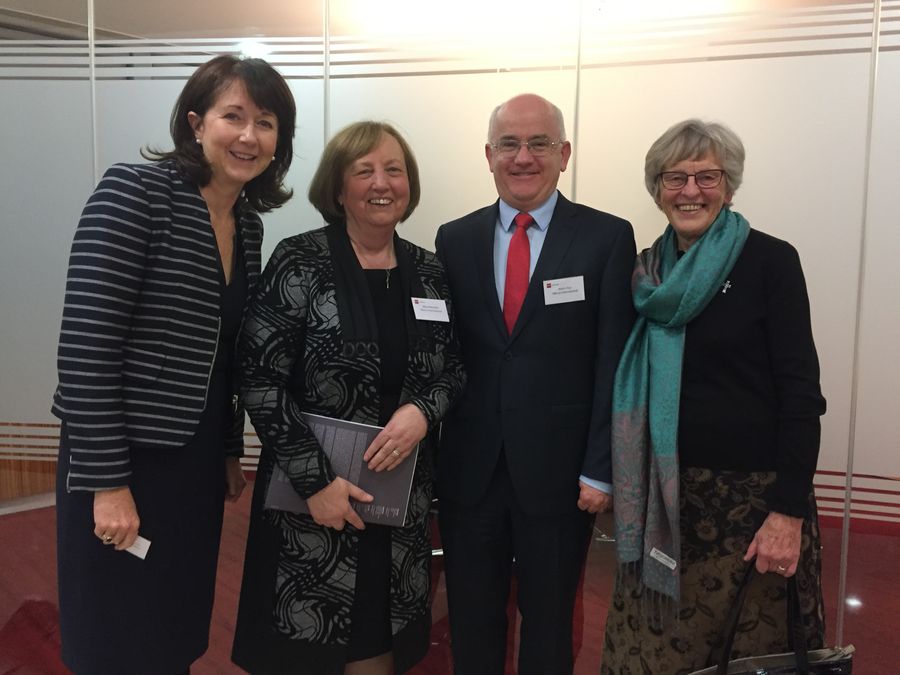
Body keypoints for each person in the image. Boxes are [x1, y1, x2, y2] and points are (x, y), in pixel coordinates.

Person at [52, 54, 296, 674]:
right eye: (232, 116)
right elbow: (86, 348)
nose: (248, 136)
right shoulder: (135, 192)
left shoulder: (247, 225)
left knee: (174, 622)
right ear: (195, 123)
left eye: (265, 122)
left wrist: (225, 452)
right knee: (115, 630)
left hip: (192, 465)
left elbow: (222, 351)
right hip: (124, 457)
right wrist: (108, 485)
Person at [231, 120, 466, 675]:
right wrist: (316, 483)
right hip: (311, 507)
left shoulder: (429, 271)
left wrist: (421, 413)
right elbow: (258, 376)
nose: (382, 183)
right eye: (364, 171)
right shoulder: (299, 261)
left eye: (394, 169)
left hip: (397, 505)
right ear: (339, 188)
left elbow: (453, 368)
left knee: (378, 643)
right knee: (307, 650)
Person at [600, 119, 827, 673]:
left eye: (707, 176)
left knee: (745, 657)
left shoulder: (770, 262)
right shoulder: (646, 272)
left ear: (729, 186)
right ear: (657, 188)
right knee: (650, 656)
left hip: (749, 513)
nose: (691, 191)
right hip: (664, 498)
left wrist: (787, 514)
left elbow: (801, 394)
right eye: (675, 177)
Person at [434, 93, 636, 674]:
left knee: (549, 623)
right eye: (509, 144)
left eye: (539, 143)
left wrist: (602, 465)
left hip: (561, 475)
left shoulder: (606, 238)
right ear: (489, 155)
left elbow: (613, 363)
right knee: (472, 619)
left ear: (564, 153)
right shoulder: (455, 239)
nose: (523, 157)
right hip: (471, 471)